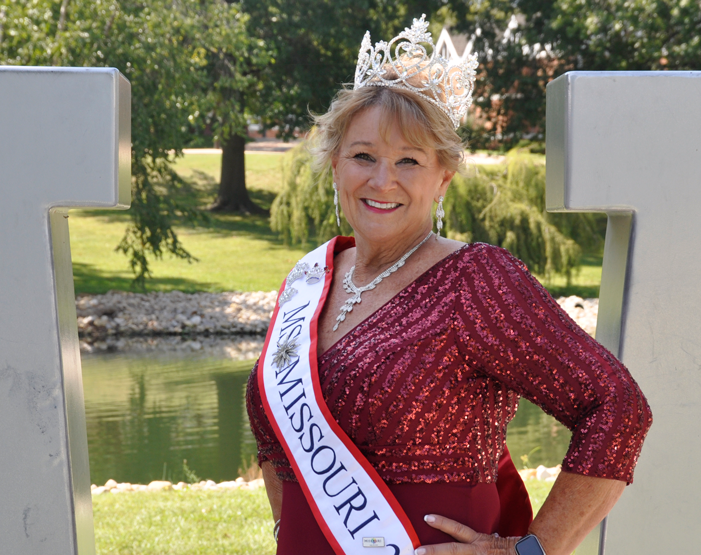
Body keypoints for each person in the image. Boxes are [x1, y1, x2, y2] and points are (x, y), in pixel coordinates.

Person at [246, 15, 651, 555]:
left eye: (408, 161)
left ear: (442, 178)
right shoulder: (308, 281)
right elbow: (278, 444)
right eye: (363, 155)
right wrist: (288, 529)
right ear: (336, 164)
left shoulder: (475, 282)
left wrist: (529, 550)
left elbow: (617, 407)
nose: (382, 180)